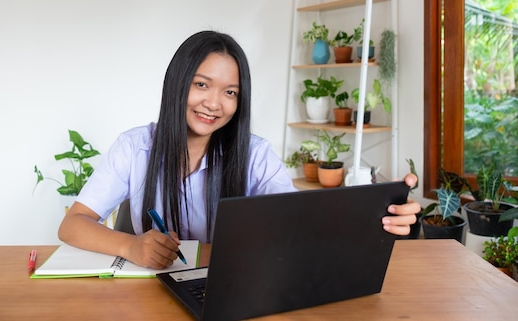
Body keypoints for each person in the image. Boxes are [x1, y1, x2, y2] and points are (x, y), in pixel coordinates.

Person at [58, 30, 421, 269]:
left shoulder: (255, 155)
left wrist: (379, 216)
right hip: (150, 291)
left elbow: (302, 222)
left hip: (230, 289)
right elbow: (72, 225)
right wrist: (131, 247)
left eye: (230, 92)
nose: (214, 103)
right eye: (202, 84)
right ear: (177, 84)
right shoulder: (135, 148)